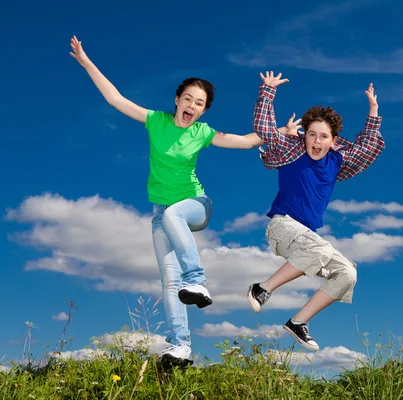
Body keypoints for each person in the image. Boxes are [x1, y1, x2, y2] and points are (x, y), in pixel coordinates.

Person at [69, 37, 299, 365]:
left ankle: (198, 280)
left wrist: (281, 132)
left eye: (200, 103)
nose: (192, 106)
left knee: (174, 219)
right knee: (169, 279)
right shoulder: (156, 122)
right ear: (177, 100)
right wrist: (87, 63)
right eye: (188, 99)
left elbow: (247, 140)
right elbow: (115, 98)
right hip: (161, 213)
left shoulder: (202, 132)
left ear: (204, 110)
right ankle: (180, 346)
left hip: (195, 205)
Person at [247, 71, 385, 351]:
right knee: (320, 250)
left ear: (333, 140)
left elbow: (368, 147)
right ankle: (261, 289)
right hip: (282, 226)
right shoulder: (291, 150)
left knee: (347, 274)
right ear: (305, 135)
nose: (317, 142)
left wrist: (373, 112)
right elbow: (265, 129)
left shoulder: (337, 160)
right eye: (312, 135)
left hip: (306, 238)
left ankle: (298, 322)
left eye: (324, 137)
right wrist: (267, 92)